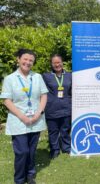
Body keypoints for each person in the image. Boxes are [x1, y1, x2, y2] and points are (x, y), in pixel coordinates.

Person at [0, 49, 48, 184]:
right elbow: (6, 100)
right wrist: (22, 116)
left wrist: (39, 113)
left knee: (32, 150)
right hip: (18, 121)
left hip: (36, 120)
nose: (27, 62)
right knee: (22, 152)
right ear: (18, 59)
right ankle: (19, 179)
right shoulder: (10, 79)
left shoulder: (37, 77)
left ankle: (30, 175)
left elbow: (44, 95)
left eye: (31, 60)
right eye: (25, 59)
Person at [42, 54, 72, 159]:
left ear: (62, 62)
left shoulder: (70, 75)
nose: (57, 64)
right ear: (51, 64)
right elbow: (41, 92)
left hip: (66, 108)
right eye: (54, 63)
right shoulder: (45, 76)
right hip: (51, 109)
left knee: (65, 130)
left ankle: (67, 148)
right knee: (53, 131)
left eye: (58, 62)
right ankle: (54, 150)